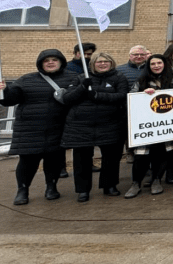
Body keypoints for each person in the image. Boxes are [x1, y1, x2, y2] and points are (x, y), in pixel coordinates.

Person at [1, 50, 77, 204]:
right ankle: (22, 190)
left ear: (61, 62)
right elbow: (9, 100)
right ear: (40, 63)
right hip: (29, 129)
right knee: (27, 162)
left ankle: (51, 187)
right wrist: (4, 90)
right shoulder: (26, 79)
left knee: (54, 161)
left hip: (58, 128)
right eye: (46, 60)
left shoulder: (73, 79)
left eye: (54, 59)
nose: (50, 62)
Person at [60, 51, 129, 200]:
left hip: (110, 124)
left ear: (111, 63)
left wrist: (98, 96)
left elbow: (122, 96)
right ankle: (83, 190)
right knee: (82, 160)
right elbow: (67, 98)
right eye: (99, 62)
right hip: (81, 126)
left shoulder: (119, 77)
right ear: (93, 64)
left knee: (111, 158)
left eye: (106, 61)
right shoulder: (80, 78)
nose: (103, 64)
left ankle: (109, 185)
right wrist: (82, 88)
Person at [125, 55, 173, 198]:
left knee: (161, 155)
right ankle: (136, 183)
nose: (156, 66)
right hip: (147, 128)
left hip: (166, 128)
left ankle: (156, 180)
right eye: (153, 63)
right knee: (140, 156)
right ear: (148, 66)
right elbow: (131, 101)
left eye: (159, 63)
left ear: (165, 63)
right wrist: (143, 95)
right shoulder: (142, 81)